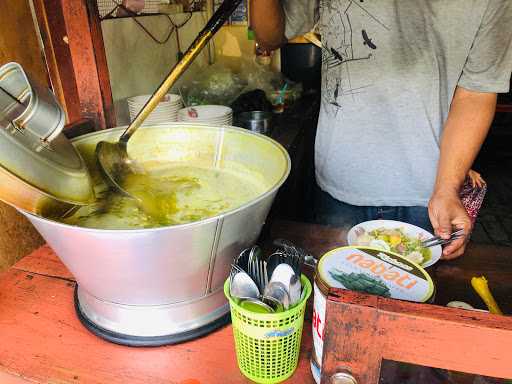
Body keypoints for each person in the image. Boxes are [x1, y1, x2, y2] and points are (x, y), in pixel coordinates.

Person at [250, 0, 512, 259]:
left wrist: (447, 188)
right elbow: (268, 36)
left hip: (429, 193)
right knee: (337, 295)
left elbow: (477, 92)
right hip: (341, 180)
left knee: (412, 298)